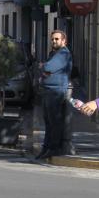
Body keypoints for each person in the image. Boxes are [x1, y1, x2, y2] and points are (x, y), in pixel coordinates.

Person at [35, 30, 72, 160]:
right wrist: (44, 69)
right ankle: (47, 147)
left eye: (57, 39)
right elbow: (45, 70)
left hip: (56, 92)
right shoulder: (54, 53)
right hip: (48, 90)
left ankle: (54, 148)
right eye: (53, 39)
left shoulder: (63, 53)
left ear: (64, 41)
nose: (54, 41)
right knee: (48, 122)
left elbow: (48, 68)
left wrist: (44, 67)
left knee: (54, 122)